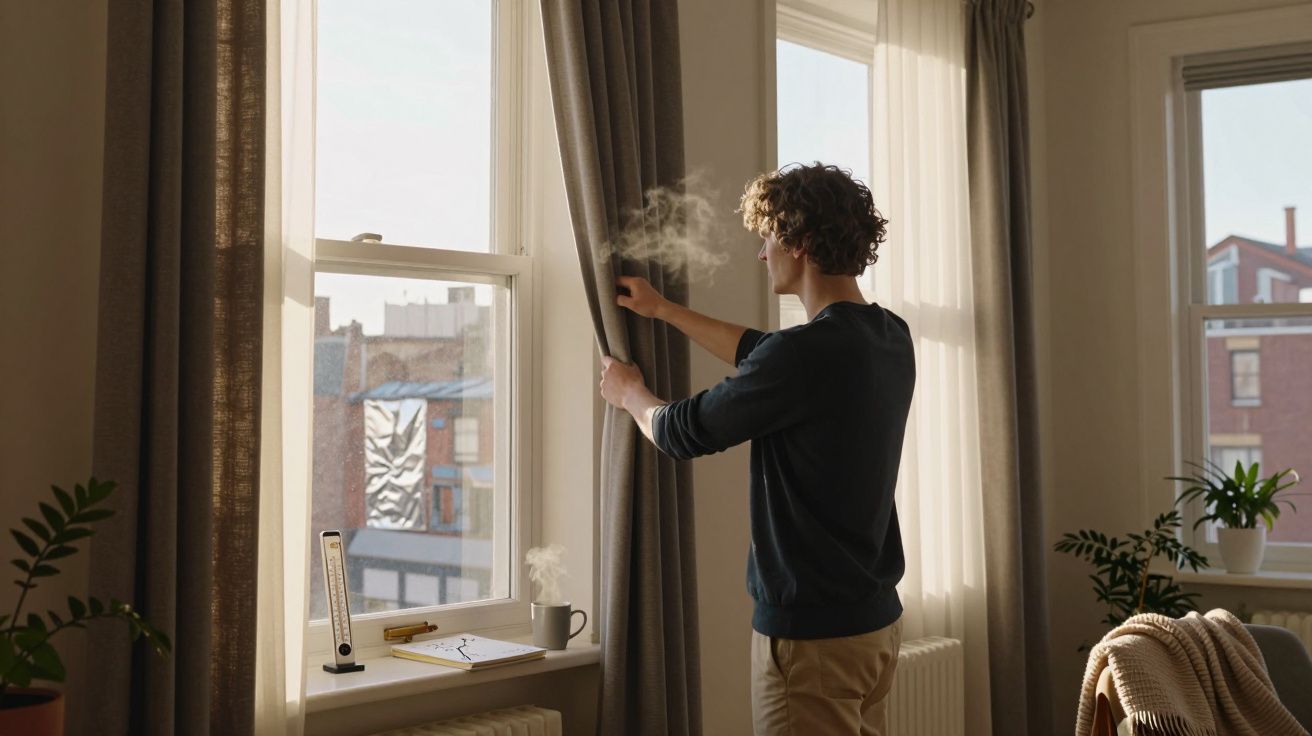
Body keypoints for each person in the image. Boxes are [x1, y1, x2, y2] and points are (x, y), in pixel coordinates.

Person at [598, 163, 915, 736]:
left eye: (768, 238)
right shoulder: (888, 335)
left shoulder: (804, 357)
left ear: (801, 242)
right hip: (873, 627)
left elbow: (678, 431)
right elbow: (762, 353)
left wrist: (631, 395)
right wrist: (665, 311)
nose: (762, 255)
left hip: (811, 639)